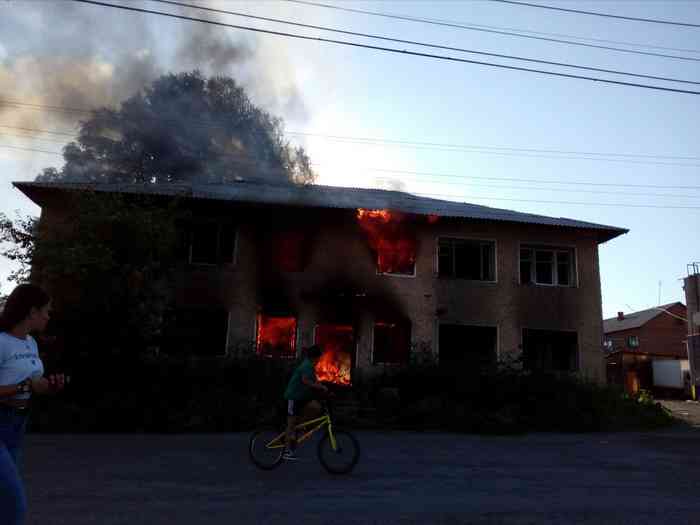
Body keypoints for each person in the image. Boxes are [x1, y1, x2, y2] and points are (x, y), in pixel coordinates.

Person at [0, 284, 66, 525]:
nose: (49, 316)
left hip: (16, 427)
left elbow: (33, 383)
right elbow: (26, 384)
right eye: (46, 311)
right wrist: (27, 386)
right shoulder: (1, 342)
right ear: (31, 312)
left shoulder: (31, 343)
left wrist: (49, 385)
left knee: (3, 502)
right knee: (14, 505)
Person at [283, 345, 327, 461]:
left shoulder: (310, 366)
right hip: (294, 396)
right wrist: (320, 387)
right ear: (314, 357)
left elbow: (314, 379)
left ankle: (301, 426)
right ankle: (287, 451)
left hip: (302, 397)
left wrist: (322, 387)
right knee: (290, 424)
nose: (319, 360)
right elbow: (305, 380)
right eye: (319, 358)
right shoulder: (307, 365)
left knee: (316, 407)